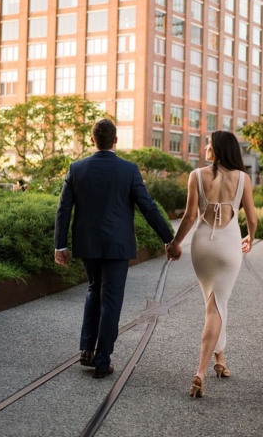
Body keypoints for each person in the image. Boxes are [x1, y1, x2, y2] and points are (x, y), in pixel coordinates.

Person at [54, 119, 175, 379]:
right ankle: (102, 360)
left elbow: (63, 209)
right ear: (116, 140)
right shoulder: (128, 170)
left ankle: (87, 348)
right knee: (111, 298)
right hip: (118, 245)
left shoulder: (77, 168)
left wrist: (60, 245)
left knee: (94, 289)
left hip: (87, 244)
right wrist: (169, 238)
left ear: (91, 140)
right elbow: (148, 207)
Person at [165, 130, 257, 398]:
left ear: (217, 149)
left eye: (209, 143)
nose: (205, 146)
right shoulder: (243, 178)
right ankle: (201, 371)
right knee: (216, 304)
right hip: (229, 246)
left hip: (203, 245)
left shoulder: (197, 176)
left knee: (214, 302)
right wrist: (250, 238)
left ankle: (221, 359)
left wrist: (175, 243)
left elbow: (190, 216)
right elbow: (251, 218)